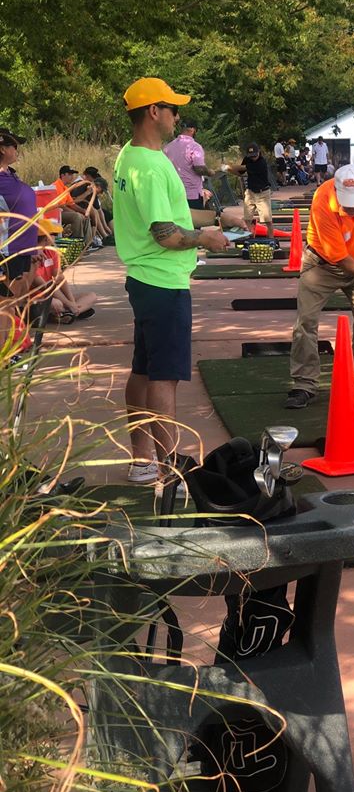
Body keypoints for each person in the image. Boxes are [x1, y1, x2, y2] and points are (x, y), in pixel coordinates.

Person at [113, 76, 229, 486]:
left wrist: (218, 219)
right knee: (164, 377)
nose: (178, 116)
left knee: (144, 370)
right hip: (162, 282)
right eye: (172, 108)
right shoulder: (147, 164)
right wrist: (208, 238)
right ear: (153, 112)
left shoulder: (132, 155)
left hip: (145, 279)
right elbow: (167, 234)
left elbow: (170, 215)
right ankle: (171, 470)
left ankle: (142, 460)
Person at [286, 164, 354, 410]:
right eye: (348, 204)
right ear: (336, 191)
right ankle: (304, 385)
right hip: (321, 264)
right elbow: (340, 259)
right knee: (306, 322)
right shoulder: (323, 199)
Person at [31, 216, 96, 322]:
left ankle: (70, 312)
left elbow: (60, 278)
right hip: (37, 298)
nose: (56, 238)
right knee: (57, 303)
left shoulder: (52, 252)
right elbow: (46, 287)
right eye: (54, 235)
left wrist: (72, 302)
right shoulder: (32, 256)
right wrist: (68, 303)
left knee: (91, 296)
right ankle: (67, 312)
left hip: (52, 295)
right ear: (47, 237)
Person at [0, 127, 39, 298]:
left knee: (16, 300)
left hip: (24, 247)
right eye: (14, 146)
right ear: (2, 148)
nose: (17, 150)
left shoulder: (11, 175)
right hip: (9, 249)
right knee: (7, 303)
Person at [224, 143, 274, 239]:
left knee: (267, 220)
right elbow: (240, 173)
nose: (253, 158)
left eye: (255, 155)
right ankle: (248, 239)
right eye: (251, 156)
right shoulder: (248, 159)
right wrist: (229, 170)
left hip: (263, 193)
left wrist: (228, 166)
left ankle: (271, 240)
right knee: (247, 219)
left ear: (259, 152)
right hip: (250, 192)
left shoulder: (261, 162)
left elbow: (243, 168)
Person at [163, 119, 214, 208]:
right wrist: (209, 172)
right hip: (191, 194)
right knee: (195, 220)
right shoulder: (194, 147)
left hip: (173, 194)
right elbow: (199, 169)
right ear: (193, 130)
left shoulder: (168, 147)